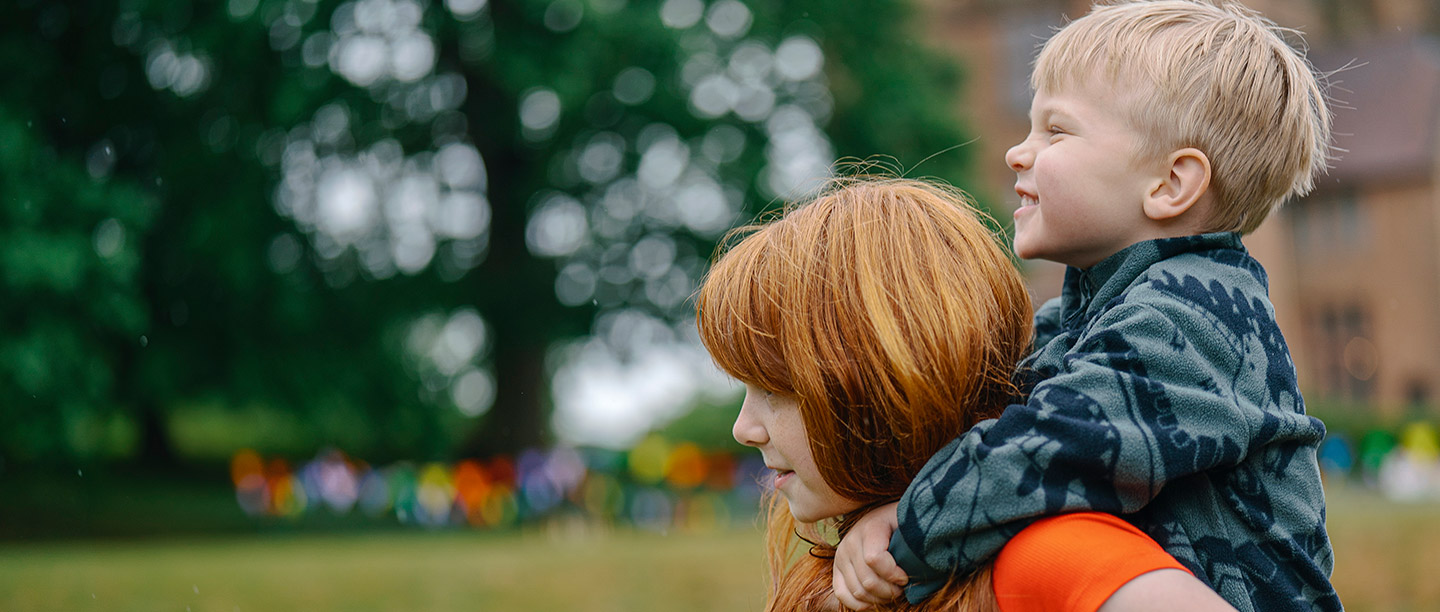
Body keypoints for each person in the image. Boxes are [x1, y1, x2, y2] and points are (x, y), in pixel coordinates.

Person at [831, 2, 1341, 611]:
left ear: (1170, 185)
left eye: (1056, 131)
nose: (1018, 154)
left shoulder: (1195, 316)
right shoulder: (1087, 310)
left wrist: (900, 533)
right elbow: (994, 412)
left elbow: (1054, 445)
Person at [696, 177, 1236, 612]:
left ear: (891, 380)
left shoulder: (1049, 557)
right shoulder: (857, 562)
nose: (745, 428)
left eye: (776, 388)